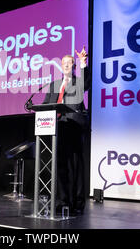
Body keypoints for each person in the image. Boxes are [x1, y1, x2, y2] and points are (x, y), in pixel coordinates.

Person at [42, 46, 90, 215]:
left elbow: (86, 84)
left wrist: (83, 63)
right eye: (64, 63)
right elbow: (46, 104)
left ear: (74, 66)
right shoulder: (55, 84)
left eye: (69, 63)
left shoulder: (78, 81)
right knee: (61, 166)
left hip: (74, 126)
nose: (66, 66)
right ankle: (63, 201)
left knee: (75, 165)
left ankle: (77, 202)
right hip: (59, 127)